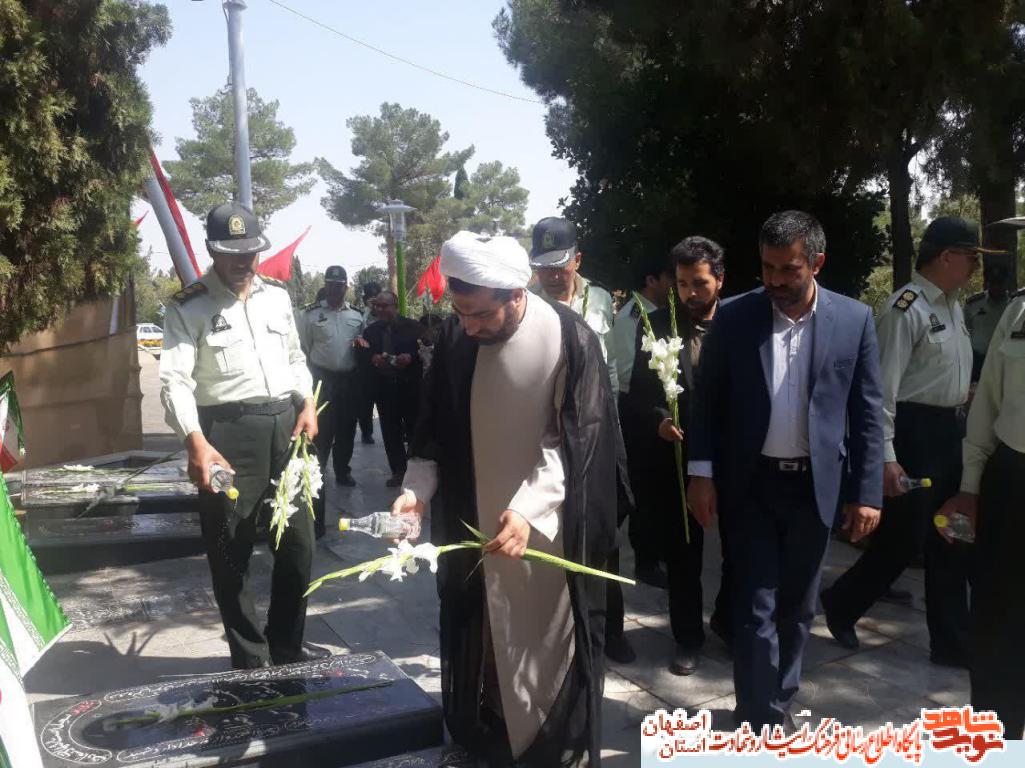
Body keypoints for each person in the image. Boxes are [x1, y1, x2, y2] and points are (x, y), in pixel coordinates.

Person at [392, 231, 621, 766]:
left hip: (546, 532)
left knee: (544, 644)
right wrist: (415, 493)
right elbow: (431, 428)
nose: (469, 325)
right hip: (473, 526)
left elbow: (576, 442)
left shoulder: (570, 337)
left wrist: (527, 509)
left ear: (516, 294)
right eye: (461, 311)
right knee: (482, 639)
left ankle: (551, 746)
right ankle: (485, 733)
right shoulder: (455, 337)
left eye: (480, 314)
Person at [688, 210, 884, 729]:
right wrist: (701, 473)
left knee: (798, 607)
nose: (775, 280)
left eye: (788, 269)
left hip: (815, 488)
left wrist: (867, 492)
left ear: (816, 263)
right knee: (754, 603)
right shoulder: (736, 317)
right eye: (767, 268)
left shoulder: (854, 320)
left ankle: (779, 699)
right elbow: (706, 401)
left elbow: (867, 412)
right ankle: (760, 715)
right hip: (751, 484)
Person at [160, 202, 325, 669]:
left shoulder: (277, 297)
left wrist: (307, 402)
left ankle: (287, 645)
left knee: (299, 545)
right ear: (212, 250)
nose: (242, 262)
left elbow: (295, 358)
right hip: (227, 438)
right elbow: (174, 381)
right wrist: (194, 441)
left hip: (286, 431)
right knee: (231, 553)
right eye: (231, 253)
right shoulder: (189, 306)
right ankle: (251, 658)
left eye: (250, 252)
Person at [821, 216, 992, 668]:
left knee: (953, 532)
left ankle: (951, 642)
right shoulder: (905, 308)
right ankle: (841, 603)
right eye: (971, 257)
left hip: (950, 433)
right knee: (903, 540)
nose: (976, 267)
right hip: (913, 436)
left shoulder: (955, 306)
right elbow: (880, 391)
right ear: (947, 257)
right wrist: (886, 457)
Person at [629, 236, 729, 675]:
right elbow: (639, 392)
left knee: (741, 547)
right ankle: (688, 636)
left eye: (700, 283)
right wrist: (658, 420)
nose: (691, 292)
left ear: (719, 280)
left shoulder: (741, 322)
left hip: (733, 452)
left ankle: (729, 620)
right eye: (683, 283)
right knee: (684, 552)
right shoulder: (656, 326)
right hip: (679, 454)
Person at [938, 286, 1025, 738]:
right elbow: (988, 401)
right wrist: (970, 488)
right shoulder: (1020, 309)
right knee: (996, 624)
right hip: (1012, 479)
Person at [614, 251, 673, 588]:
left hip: (657, 407)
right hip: (637, 409)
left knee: (659, 486)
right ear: (652, 281)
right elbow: (626, 372)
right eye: (670, 279)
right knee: (644, 487)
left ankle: (658, 551)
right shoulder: (635, 317)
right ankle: (646, 561)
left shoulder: (660, 314)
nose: (675, 286)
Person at [297, 265, 365, 533]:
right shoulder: (310, 314)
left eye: (340, 285)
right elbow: (304, 347)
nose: (336, 289)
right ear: (325, 286)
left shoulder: (357, 315)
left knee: (347, 429)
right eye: (332, 284)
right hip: (321, 381)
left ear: (346, 287)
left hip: (348, 380)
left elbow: (360, 345)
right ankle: (319, 474)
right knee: (322, 434)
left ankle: (343, 470)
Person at [529, 217, 618, 394]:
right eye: (544, 267)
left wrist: (612, 405)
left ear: (577, 260)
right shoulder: (527, 302)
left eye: (559, 266)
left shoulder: (600, 299)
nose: (552, 276)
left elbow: (610, 365)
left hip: (592, 403)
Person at [361, 290, 423, 487]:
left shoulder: (413, 327)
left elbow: (426, 351)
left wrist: (411, 357)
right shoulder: (370, 332)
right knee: (390, 432)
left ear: (395, 306)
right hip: (384, 390)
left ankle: (418, 473)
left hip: (410, 388)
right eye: (377, 306)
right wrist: (373, 359)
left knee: (414, 431)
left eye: (384, 306)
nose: (380, 309)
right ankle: (398, 472)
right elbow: (363, 356)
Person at [965, 262, 1011, 381]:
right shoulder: (973, 304)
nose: (996, 287)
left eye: (1000, 283)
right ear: (987, 283)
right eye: (993, 283)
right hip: (978, 360)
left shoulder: (1014, 304)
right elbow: (963, 330)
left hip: (1005, 359)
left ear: (1006, 283)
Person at [358, 281, 383, 444]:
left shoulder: (385, 313)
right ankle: (366, 432)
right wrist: (368, 310)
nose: (373, 300)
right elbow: (360, 331)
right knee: (366, 403)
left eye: (376, 297)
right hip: (366, 366)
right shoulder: (360, 315)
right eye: (370, 297)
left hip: (384, 364)